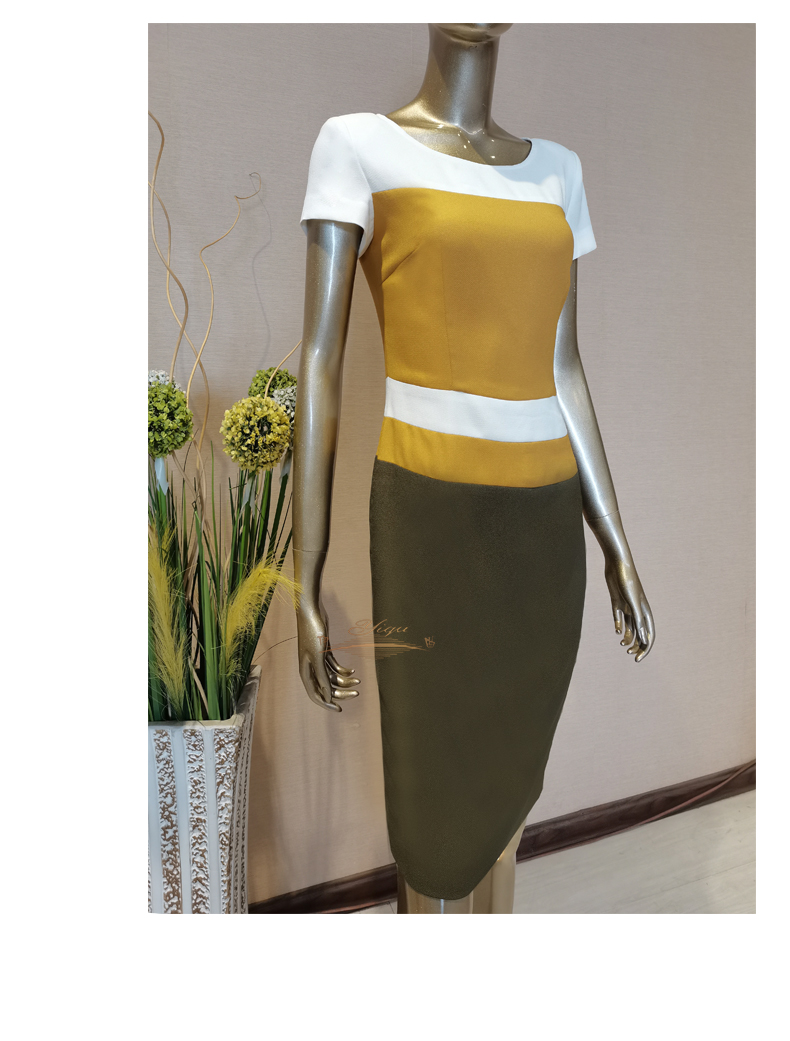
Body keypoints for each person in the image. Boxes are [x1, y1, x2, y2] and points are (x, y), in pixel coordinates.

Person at [292, 23, 655, 914]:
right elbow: (320, 363)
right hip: (428, 523)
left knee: (504, 801)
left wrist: (615, 542)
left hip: (543, 535)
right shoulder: (357, 146)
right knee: (430, 809)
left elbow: (564, 368)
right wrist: (305, 575)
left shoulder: (558, 171)